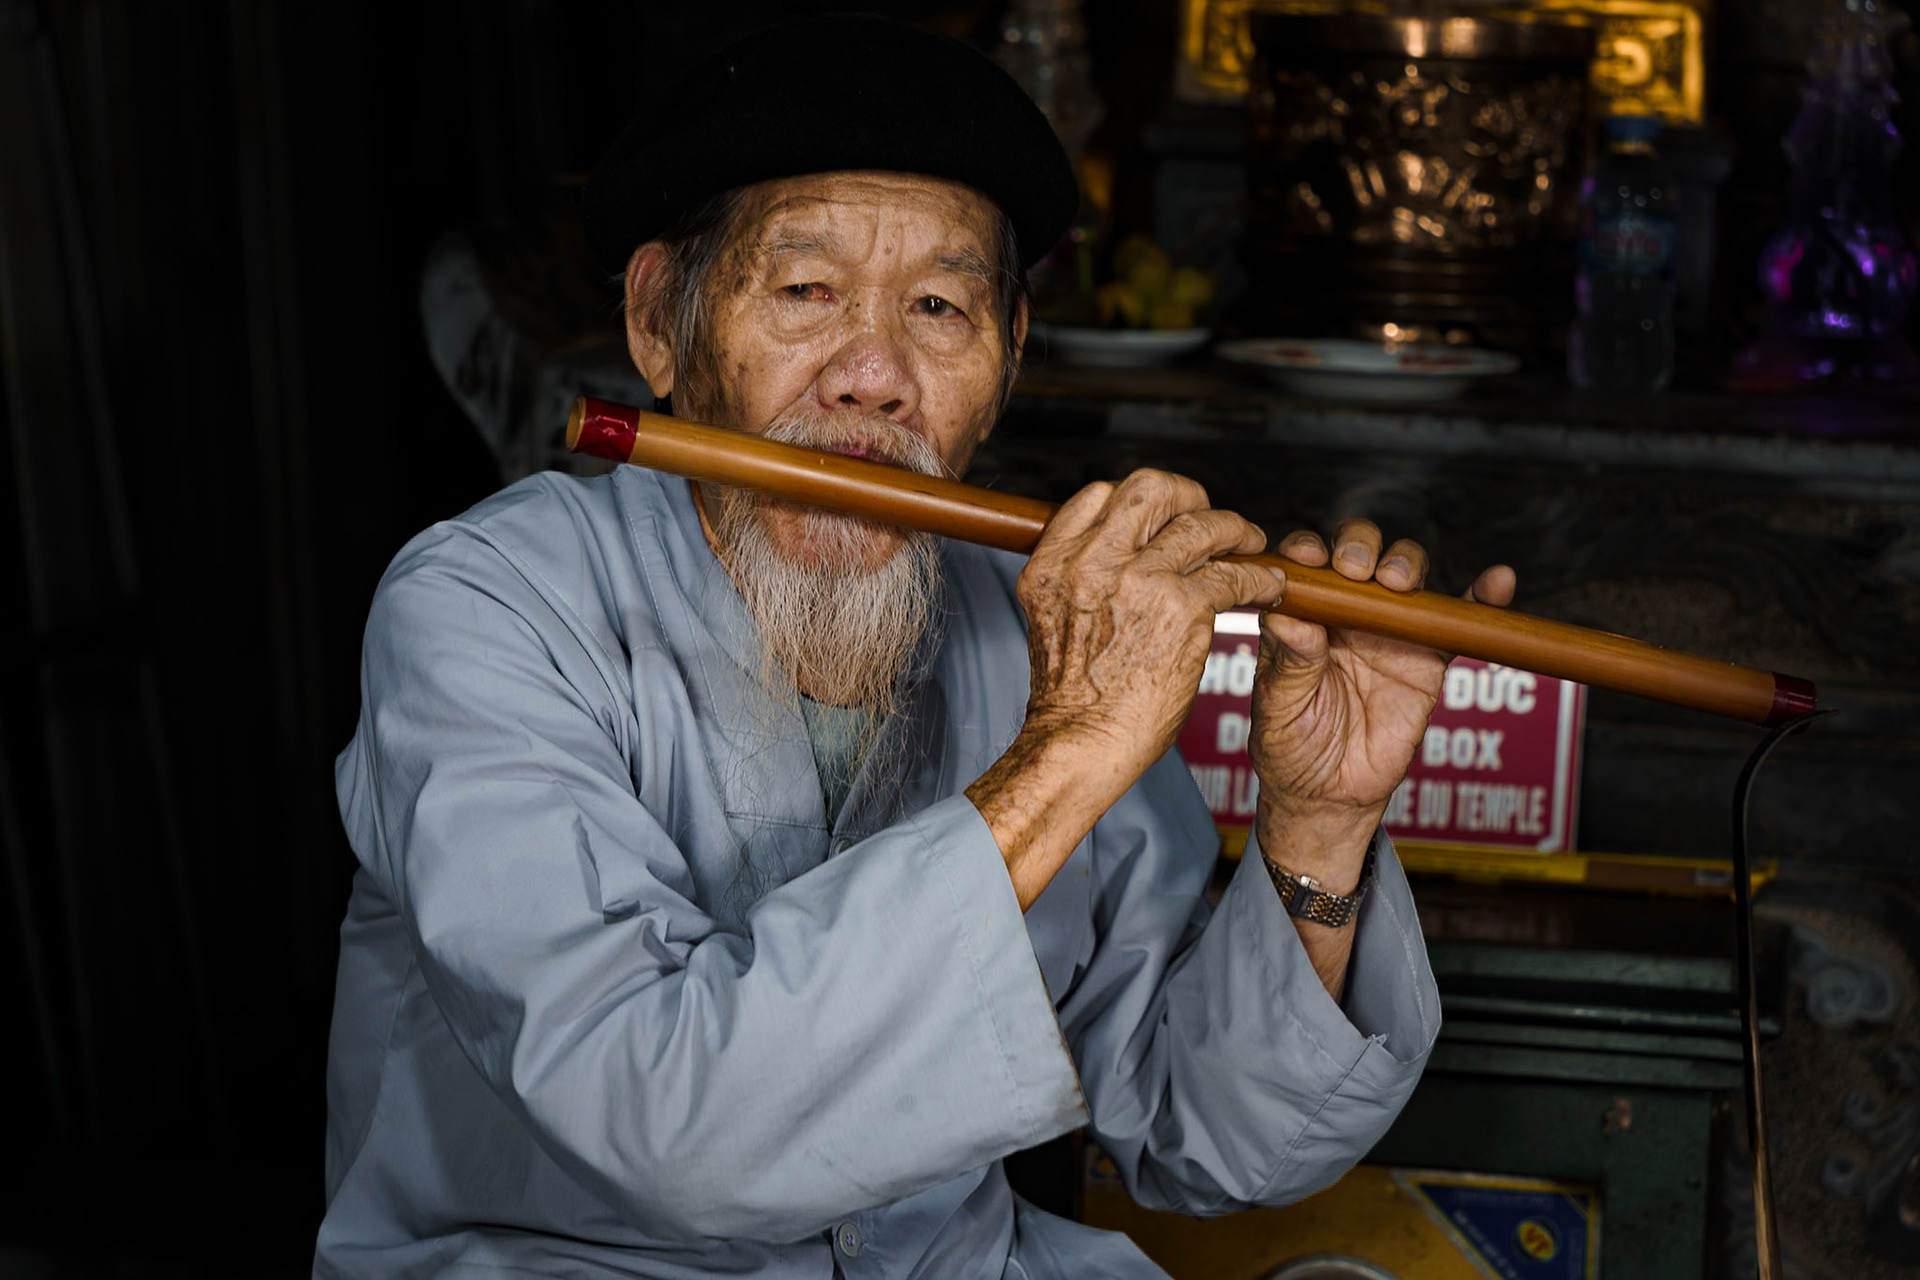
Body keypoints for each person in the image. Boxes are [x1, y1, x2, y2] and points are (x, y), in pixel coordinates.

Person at [315, 15, 1515, 1279]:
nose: (875, 377)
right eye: (806, 291)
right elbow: (666, 1120)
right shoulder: (489, 609)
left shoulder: (1029, 612)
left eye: (940, 306)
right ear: (661, 324)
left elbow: (1211, 1137)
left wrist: (1317, 821)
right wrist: (1070, 748)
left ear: (1004, 364)